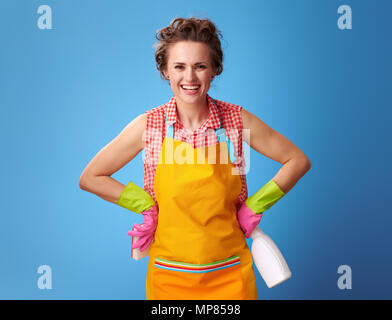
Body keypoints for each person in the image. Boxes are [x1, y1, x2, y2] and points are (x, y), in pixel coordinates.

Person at [79, 17, 311, 300]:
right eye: (179, 66)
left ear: (214, 70)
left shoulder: (236, 121)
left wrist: (254, 206)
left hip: (230, 273)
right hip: (169, 275)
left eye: (200, 66)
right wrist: (144, 205)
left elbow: (297, 160)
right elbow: (91, 177)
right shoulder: (149, 126)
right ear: (165, 70)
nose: (189, 78)